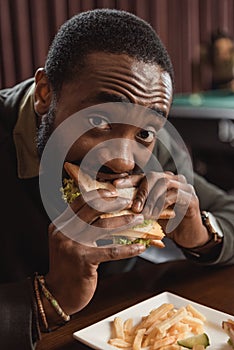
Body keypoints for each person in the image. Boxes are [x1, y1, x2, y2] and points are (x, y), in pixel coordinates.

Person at [0, 9, 233, 349]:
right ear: (45, 93)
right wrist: (47, 299)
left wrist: (199, 232)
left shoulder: (147, 144)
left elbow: (226, 211)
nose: (123, 162)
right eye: (98, 121)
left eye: (146, 131)